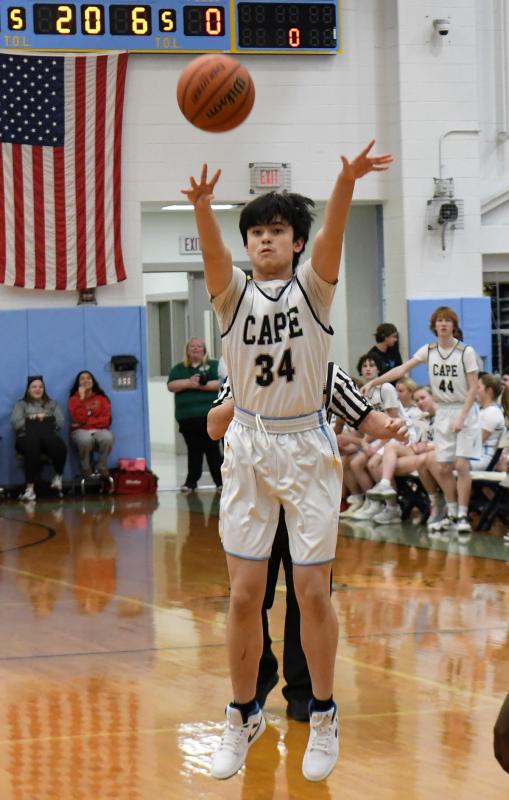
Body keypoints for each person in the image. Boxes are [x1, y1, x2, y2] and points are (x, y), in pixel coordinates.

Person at [181, 141, 393, 782]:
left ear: (296, 243)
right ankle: (242, 712)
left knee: (310, 592)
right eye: (256, 232)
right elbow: (214, 255)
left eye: (277, 231)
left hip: (305, 447)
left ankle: (323, 713)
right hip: (247, 445)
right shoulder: (231, 298)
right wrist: (200, 210)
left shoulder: (313, 292)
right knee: (244, 596)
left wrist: (347, 182)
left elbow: (332, 233)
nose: (265, 240)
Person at [208, 364, 407, 722]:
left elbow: (366, 418)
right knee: (249, 599)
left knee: (310, 599)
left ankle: (303, 693)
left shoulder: (327, 373)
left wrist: (391, 427)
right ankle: (257, 676)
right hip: (255, 498)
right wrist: (244, 392)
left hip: (307, 499)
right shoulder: (243, 368)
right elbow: (213, 427)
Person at [362, 305, 481, 535]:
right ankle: (453, 511)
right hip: (444, 411)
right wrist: (373, 383)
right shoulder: (429, 350)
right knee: (444, 466)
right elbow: (401, 370)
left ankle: (464, 515)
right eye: (440, 320)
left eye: (448, 320)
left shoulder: (466, 352)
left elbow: (474, 387)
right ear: (434, 326)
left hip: (464, 409)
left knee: (461, 464)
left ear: (454, 326)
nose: (444, 324)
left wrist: (462, 416)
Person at [167, 337, 222, 493]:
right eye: (192, 346)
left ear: (204, 350)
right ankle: (191, 482)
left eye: (199, 346)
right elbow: (171, 385)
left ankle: (220, 482)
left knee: (212, 449)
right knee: (193, 450)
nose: (196, 349)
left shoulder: (213, 366)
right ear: (187, 350)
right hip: (187, 418)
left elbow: (221, 383)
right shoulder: (179, 368)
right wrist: (188, 383)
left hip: (209, 416)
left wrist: (200, 385)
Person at [11, 375, 67, 502]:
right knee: (32, 445)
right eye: (34, 387)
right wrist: (32, 418)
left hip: (47, 436)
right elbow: (16, 424)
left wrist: (46, 420)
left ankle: (58, 477)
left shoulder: (52, 404)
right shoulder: (21, 404)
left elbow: (60, 423)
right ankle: (30, 489)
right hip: (26, 437)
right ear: (28, 390)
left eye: (40, 387)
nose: (38, 389)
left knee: (60, 445)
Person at [68, 370, 114, 477]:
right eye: (82, 379)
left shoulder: (102, 399)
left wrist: (86, 422)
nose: (86, 380)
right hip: (79, 432)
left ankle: (102, 467)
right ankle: (85, 468)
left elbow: (106, 420)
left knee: (108, 437)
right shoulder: (73, 399)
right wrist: (82, 398)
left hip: (99, 431)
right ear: (78, 384)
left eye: (88, 378)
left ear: (93, 382)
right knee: (85, 439)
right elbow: (78, 418)